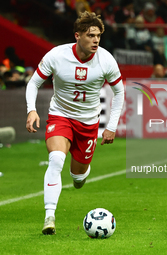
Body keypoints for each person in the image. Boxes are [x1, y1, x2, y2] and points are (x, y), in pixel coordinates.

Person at [25, 11, 124, 235]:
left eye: (98, 35)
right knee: (56, 158)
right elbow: (34, 83)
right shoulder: (56, 55)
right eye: (91, 35)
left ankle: (80, 173)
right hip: (61, 116)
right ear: (77, 36)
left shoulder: (106, 59)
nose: (96, 40)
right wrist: (31, 110)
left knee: (78, 178)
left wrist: (111, 126)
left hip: (88, 124)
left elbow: (119, 92)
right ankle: (49, 216)